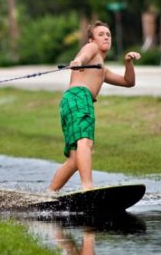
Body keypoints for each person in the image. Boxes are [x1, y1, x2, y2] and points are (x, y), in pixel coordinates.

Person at [49, 20, 141, 192]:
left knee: (76, 159)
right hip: (79, 97)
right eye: (101, 34)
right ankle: (88, 187)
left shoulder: (102, 68)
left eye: (108, 35)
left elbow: (128, 82)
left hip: (71, 101)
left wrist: (128, 62)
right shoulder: (92, 50)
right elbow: (84, 53)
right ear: (91, 40)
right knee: (85, 141)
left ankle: (49, 194)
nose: (106, 37)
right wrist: (78, 60)